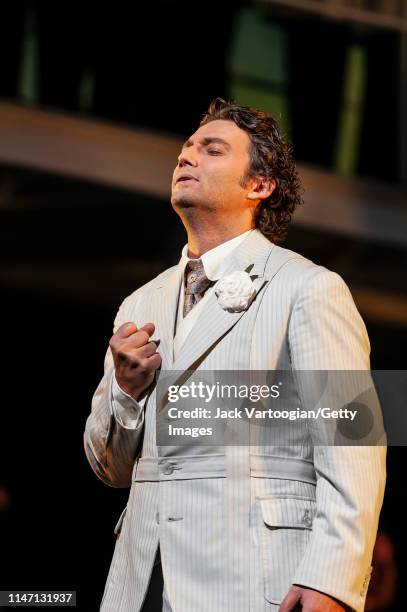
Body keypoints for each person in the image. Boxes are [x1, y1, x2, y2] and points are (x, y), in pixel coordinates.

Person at [84, 98, 386, 612]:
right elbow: (109, 468)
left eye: (212, 149)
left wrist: (332, 578)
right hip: (142, 582)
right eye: (186, 147)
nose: (186, 156)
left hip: (252, 579)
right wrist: (127, 393)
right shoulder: (140, 303)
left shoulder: (307, 288)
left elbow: (353, 443)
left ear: (259, 185)